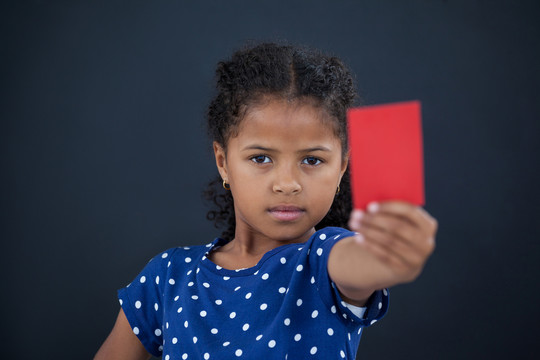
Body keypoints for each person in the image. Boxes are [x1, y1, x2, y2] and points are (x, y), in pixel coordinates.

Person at [94, 42, 437, 360]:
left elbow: (360, 263)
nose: (287, 184)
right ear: (223, 161)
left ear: (342, 166)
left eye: (312, 160)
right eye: (261, 158)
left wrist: (389, 252)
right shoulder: (167, 277)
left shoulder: (324, 262)